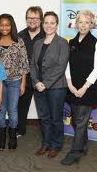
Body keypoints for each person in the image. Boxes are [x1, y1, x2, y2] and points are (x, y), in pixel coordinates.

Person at [61, 10, 97, 165]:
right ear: (76, 23)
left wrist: (84, 87)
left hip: (88, 88)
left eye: (87, 22)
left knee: (80, 121)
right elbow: (67, 65)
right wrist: (70, 85)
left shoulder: (96, 43)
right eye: (81, 22)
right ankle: (84, 143)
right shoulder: (71, 42)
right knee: (75, 121)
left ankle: (75, 151)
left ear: (91, 24)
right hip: (72, 87)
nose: (83, 25)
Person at [30, 11, 69, 158]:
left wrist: (45, 83)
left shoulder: (62, 43)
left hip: (56, 87)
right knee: (44, 118)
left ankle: (56, 145)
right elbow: (32, 65)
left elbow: (61, 66)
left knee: (55, 118)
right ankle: (46, 144)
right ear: (42, 24)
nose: (49, 25)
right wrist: (36, 82)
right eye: (46, 22)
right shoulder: (37, 43)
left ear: (57, 25)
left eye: (52, 23)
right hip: (39, 87)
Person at [0, 14, 29, 150]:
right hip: (0, 83)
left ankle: (13, 137)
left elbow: (24, 63)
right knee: (1, 110)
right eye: (1, 25)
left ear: (11, 26)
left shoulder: (19, 41)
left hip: (15, 81)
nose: (4, 27)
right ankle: (2, 136)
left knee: (13, 110)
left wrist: (23, 83)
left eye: (7, 25)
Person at [17, 6, 45, 138]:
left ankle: (46, 133)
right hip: (25, 78)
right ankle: (20, 130)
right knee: (22, 107)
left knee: (44, 109)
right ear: (26, 19)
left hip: (42, 79)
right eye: (29, 18)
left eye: (35, 18)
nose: (32, 20)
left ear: (41, 20)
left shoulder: (47, 35)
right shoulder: (19, 36)